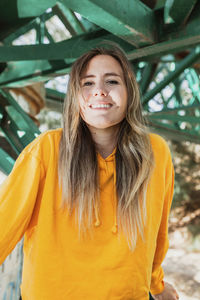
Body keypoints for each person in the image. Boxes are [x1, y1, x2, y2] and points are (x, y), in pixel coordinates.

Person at [0, 44, 179, 300]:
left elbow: (157, 234)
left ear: (130, 93)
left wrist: (157, 286)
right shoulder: (47, 150)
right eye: (87, 83)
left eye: (112, 81)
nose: (99, 91)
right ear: (75, 97)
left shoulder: (155, 153)